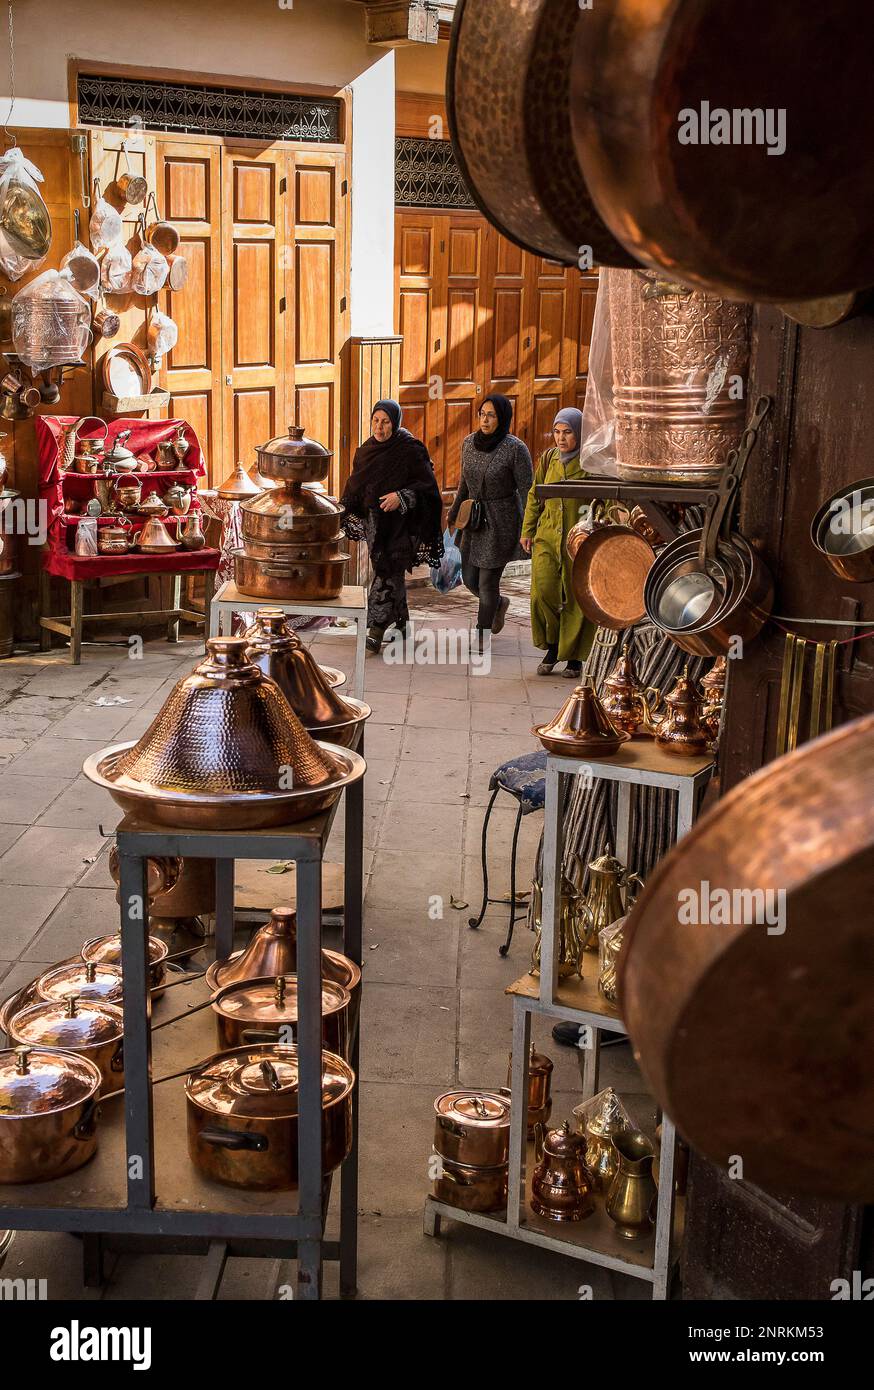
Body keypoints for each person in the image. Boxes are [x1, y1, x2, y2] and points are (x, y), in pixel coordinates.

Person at [341, 400, 444, 653]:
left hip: (402, 525)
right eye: (376, 420)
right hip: (375, 525)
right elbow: (356, 486)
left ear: (395, 423)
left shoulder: (410, 450)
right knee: (388, 569)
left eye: (385, 422)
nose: (380, 426)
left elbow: (429, 490)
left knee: (388, 569)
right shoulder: (365, 451)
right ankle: (403, 623)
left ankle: (376, 628)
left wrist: (401, 497)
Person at [447, 394, 533, 640]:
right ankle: (498, 604)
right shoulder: (468, 443)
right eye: (482, 414)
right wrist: (453, 515)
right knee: (470, 579)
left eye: (491, 415)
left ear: (502, 418)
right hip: (473, 521)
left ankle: (481, 633)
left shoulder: (515, 448)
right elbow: (464, 484)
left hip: (501, 522)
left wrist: (529, 528)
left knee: (487, 583)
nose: (485, 420)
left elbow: (528, 490)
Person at [521, 407, 595, 677]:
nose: (561, 438)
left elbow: (604, 501)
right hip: (547, 536)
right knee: (544, 590)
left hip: (578, 540)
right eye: (557, 432)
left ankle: (573, 657)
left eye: (568, 432)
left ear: (579, 434)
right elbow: (534, 494)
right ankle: (552, 646)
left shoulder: (590, 463)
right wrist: (527, 530)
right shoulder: (549, 459)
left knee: (575, 596)